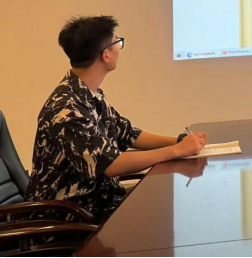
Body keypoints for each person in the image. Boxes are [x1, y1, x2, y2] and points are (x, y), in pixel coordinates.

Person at [25, 16, 208, 221]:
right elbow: (111, 165)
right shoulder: (66, 109)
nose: (119, 48)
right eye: (117, 42)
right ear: (106, 54)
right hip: (69, 217)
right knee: (170, 215)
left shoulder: (86, 93)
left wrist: (180, 141)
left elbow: (128, 133)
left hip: (98, 203)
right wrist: (176, 151)